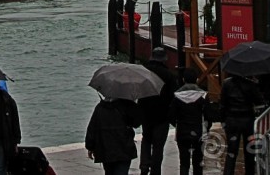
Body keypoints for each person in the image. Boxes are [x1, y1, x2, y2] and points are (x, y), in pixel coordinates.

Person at [137, 47, 178, 175]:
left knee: (146, 140)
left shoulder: (143, 73)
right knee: (158, 146)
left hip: (146, 114)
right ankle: (155, 171)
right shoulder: (168, 75)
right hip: (162, 115)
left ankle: (144, 167)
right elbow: (173, 96)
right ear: (164, 59)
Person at [85, 95, 142, 175]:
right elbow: (136, 123)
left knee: (109, 172)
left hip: (105, 149)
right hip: (124, 148)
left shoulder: (100, 108)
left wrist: (90, 147)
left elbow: (92, 129)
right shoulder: (127, 105)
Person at [169, 68, 210, 175]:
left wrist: (177, 124)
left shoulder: (177, 96)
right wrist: (207, 128)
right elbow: (209, 115)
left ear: (183, 79)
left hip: (182, 131)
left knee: (184, 162)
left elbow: (171, 115)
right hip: (198, 131)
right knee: (198, 161)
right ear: (196, 80)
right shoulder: (203, 96)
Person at [220, 73, 263, 175]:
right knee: (249, 151)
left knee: (231, 151)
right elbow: (259, 101)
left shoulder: (226, 84)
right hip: (247, 121)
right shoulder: (250, 84)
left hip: (231, 120)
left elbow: (222, 104)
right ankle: (249, 172)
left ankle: (228, 172)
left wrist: (223, 120)